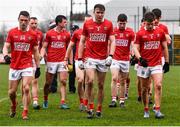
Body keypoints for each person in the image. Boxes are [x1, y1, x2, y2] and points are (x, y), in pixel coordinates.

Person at [78, 4, 115, 118]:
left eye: (102, 13)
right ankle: (90, 107)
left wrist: (110, 56)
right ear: (94, 12)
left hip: (103, 59)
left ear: (104, 13)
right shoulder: (87, 23)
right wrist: (80, 58)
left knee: (100, 85)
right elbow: (82, 41)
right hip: (90, 58)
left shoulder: (108, 24)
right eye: (98, 12)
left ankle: (99, 109)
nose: (100, 14)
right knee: (90, 81)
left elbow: (113, 41)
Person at [3, 11, 40, 120]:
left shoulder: (33, 35)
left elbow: (36, 51)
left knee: (26, 88)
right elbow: (6, 46)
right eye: (21, 20)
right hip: (14, 66)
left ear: (28, 21)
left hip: (27, 65)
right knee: (11, 92)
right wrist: (5, 55)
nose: (23, 22)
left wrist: (37, 67)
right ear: (18, 20)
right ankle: (14, 105)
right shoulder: (12, 32)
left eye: (26, 20)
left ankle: (25, 112)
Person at [133, 12, 169, 118]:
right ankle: (146, 109)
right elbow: (135, 48)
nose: (150, 26)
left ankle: (157, 110)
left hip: (157, 64)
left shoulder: (160, 32)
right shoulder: (139, 33)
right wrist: (140, 58)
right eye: (148, 24)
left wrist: (166, 62)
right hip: (144, 64)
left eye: (152, 24)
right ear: (144, 23)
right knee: (145, 89)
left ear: (154, 22)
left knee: (158, 85)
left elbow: (165, 47)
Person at [40, 15, 71, 109]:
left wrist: (69, 61)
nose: (66, 23)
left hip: (62, 61)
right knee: (47, 83)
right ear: (58, 23)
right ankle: (45, 99)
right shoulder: (49, 34)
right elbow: (44, 47)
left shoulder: (67, 34)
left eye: (66, 22)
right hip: (51, 61)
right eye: (64, 22)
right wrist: (41, 55)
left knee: (63, 81)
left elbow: (69, 48)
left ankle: (63, 102)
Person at [65, 14, 92, 111]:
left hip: (90, 60)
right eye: (86, 21)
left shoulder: (94, 33)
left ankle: (85, 103)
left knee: (88, 82)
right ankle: (81, 101)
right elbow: (70, 46)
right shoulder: (77, 33)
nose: (87, 23)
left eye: (89, 21)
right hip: (78, 59)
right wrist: (66, 58)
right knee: (80, 80)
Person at [109, 14, 135, 108]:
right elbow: (109, 43)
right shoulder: (113, 31)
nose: (122, 25)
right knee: (115, 78)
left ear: (126, 22)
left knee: (123, 81)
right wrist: (108, 55)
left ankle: (122, 101)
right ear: (117, 22)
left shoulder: (130, 32)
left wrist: (133, 53)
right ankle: (113, 99)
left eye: (124, 23)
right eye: (120, 23)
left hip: (125, 60)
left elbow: (133, 45)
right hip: (115, 58)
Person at [29, 17, 43, 109]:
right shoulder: (24, 32)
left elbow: (41, 46)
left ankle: (35, 101)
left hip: (35, 59)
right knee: (25, 83)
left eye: (35, 23)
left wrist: (41, 54)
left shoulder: (40, 34)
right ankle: (25, 100)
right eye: (32, 23)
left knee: (35, 81)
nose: (34, 25)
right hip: (25, 60)